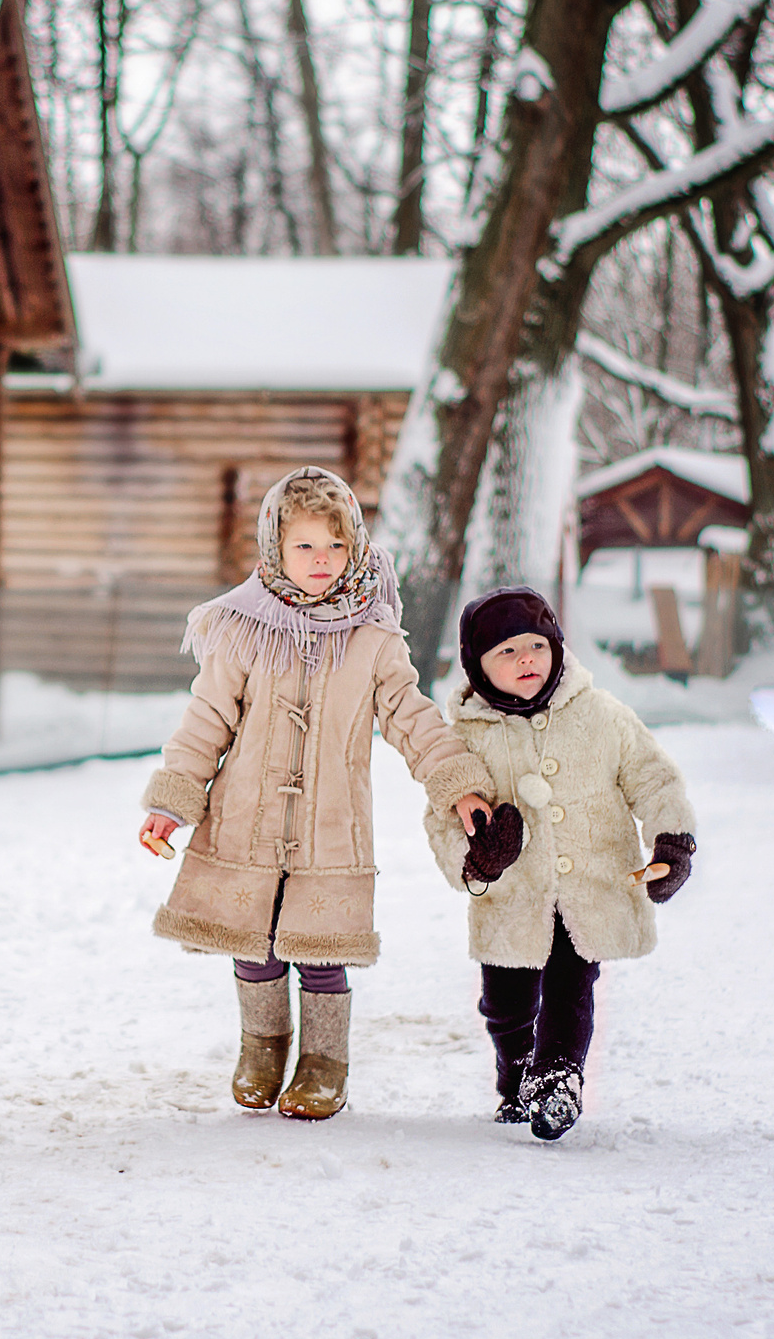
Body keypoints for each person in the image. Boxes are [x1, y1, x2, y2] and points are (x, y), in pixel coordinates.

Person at [140, 467, 494, 1121]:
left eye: (335, 544)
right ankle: (263, 1048)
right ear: (275, 547)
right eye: (304, 545)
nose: (321, 559)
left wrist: (459, 782)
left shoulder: (374, 637)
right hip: (247, 821)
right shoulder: (243, 629)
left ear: (355, 546)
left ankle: (325, 1062)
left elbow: (411, 716)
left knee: (320, 951)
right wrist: (173, 799)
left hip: (331, 828)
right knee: (253, 945)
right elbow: (206, 720)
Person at [424, 585, 697, 1141]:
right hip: (512, 897)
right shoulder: (464, 739)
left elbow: (653, 777)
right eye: (506, 651)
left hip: (587, 887)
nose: (526, 659)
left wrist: (672, 841)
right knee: (505, 1002)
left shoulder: (601, 716)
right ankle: (516, 1079)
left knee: (573, 985)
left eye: (537, 646)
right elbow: (443, 819)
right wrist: (478, 860)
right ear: (477, 667)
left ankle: (556, 1080)